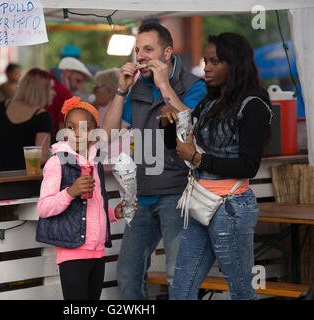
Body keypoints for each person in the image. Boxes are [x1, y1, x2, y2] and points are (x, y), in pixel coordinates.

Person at [101, 22, 207, 300]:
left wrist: (163, 85)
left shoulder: (194, 86)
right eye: (138, 50)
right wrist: (121, 90)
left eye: (149, 49)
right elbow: (109, 134)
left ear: (167, 52)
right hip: (142, 193)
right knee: (127, 274)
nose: (141, 56)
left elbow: (190, 125)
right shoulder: (136, 87)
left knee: (177, 274)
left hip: (178, 193)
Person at [170, 33, 272, 300]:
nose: (207, 67)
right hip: (200, 200)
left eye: (215, 61)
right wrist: (169, 125)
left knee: (240, 291)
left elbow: (249, 165)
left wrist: (197, 158)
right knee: (181, 290)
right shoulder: (210, 102)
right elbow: (187, 145)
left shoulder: (253, 106)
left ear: (235, 63)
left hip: (231, 206)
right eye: (206, 60)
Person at [36, 96, 137, 300]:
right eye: (71, 128)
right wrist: (70, 192)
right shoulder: (56, 163)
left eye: (86, 128)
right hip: (72, 252)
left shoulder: (94, 163)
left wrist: (114, 213)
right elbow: (44, 208)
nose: (78, 134)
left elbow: (93, 209)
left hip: (97, 251)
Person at [0, 68, 54, 173]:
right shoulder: (42, 116)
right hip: (19, 178)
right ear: (41, 90)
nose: (54, 93)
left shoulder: (2, 106)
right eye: (51, 88)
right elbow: (41, 158)